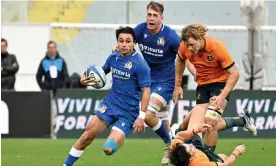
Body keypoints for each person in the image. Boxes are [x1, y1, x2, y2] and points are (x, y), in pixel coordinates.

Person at [63, 26, 151, 166]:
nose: (124, 44)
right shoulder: (113, 57)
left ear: (134, 43)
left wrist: (142, 116)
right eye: (121, 41)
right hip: (110, 105)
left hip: (127, 112)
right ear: (117, 42)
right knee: (87, 135)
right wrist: (86, 78)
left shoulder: (140, 64)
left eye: (128, 41)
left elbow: (146, 91)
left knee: (108, 149)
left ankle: (119, 136)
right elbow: (101, 73)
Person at [113, 2, 180, 164]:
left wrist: (182, 82)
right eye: (149, 14)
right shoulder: (140, 30)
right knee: (164, 122)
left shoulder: (170, 36)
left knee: (149, 115)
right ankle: (173, 148)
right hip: (149, 80)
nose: (151, 18)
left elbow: (184, 57)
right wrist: (117, 48)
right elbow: (127, 43)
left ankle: (168, 142)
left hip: (166, 81)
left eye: (155, 15)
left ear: (161, 18)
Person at [173, 24, 257, 151]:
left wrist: (221, 96)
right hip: (202, 86)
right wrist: (178, 85)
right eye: (187, 45)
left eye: (192, 44)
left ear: (200, 38)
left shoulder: (217, 47)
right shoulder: (185, 47)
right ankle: (241, 121)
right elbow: (180, 60)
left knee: (210, 122)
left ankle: (209, 159)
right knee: (198, 126)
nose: (189, 48)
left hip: (220, 84)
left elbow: (235, 74)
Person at [169, 100, 251, 166]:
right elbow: (225, 164)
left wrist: (197, 129)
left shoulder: (177, 147)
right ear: (191, 158)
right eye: (190, 148)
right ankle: (243, 121)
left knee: (199, 109)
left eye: (186, 146)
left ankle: (243, 121)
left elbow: (179, 135)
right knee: (225, 158)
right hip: (204, 159)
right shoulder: (200, 164)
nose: (190, 146)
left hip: (194, 144)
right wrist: (236, 151)